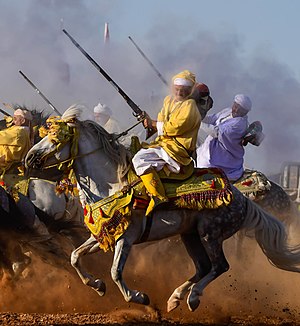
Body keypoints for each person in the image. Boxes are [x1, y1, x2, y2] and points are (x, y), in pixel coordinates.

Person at [132, 70, 201, 216]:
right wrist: (149, 122)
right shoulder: (168, 100)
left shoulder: (190, 106)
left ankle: (158, 196)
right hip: (164, 144)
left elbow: (176, 127)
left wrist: (154, 124)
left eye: (183, 90)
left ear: (189, 91)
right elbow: (161, 121)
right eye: (177, 89)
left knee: (139, 159)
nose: (180, 92)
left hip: (177, 149)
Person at [196, 94, 252, 182]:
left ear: (245, 112)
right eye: (235, 106)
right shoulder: (228, 111)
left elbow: (216, 132)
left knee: (204, 168)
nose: (236, 110)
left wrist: (197, 121)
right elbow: (213, 118)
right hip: (207, 148)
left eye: (240, 109)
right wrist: (198, 115)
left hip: (221, 156)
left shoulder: (240, 124)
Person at [0, 108, 33, 174]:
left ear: (22, 120)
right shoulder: (20, 130)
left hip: (4, 162)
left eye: (15, 118)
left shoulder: (19, 132)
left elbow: (2, 136)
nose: (13, 121)